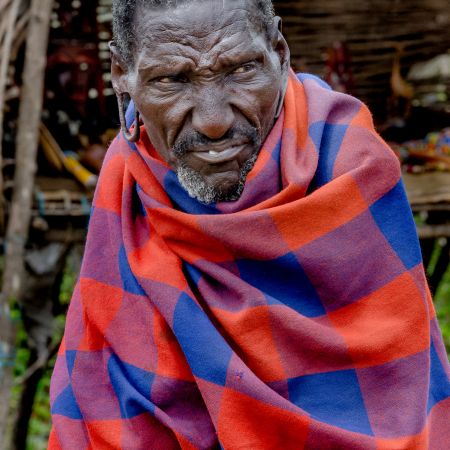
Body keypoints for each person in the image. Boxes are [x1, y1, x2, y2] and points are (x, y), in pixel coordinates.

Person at [49, 0, 450, 448]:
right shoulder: (127, 183)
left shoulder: (350, 163)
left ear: (279, 52)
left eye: (240, 70)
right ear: (122, 74)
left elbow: (399, 394)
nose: (214, 121)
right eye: (171, 80)